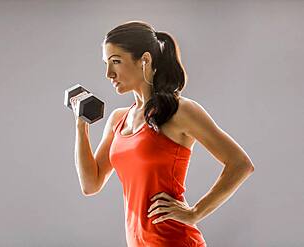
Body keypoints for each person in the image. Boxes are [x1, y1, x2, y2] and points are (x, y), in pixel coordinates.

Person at [70, 20, 255, 247]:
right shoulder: (119, 119)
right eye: (106, 63)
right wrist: (81, 125)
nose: (109, 73)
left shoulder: (180, 110)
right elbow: (91, 184)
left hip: (175, 241)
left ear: (144, 60)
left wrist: (195, 212)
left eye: (116, 62)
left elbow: (240, 164)